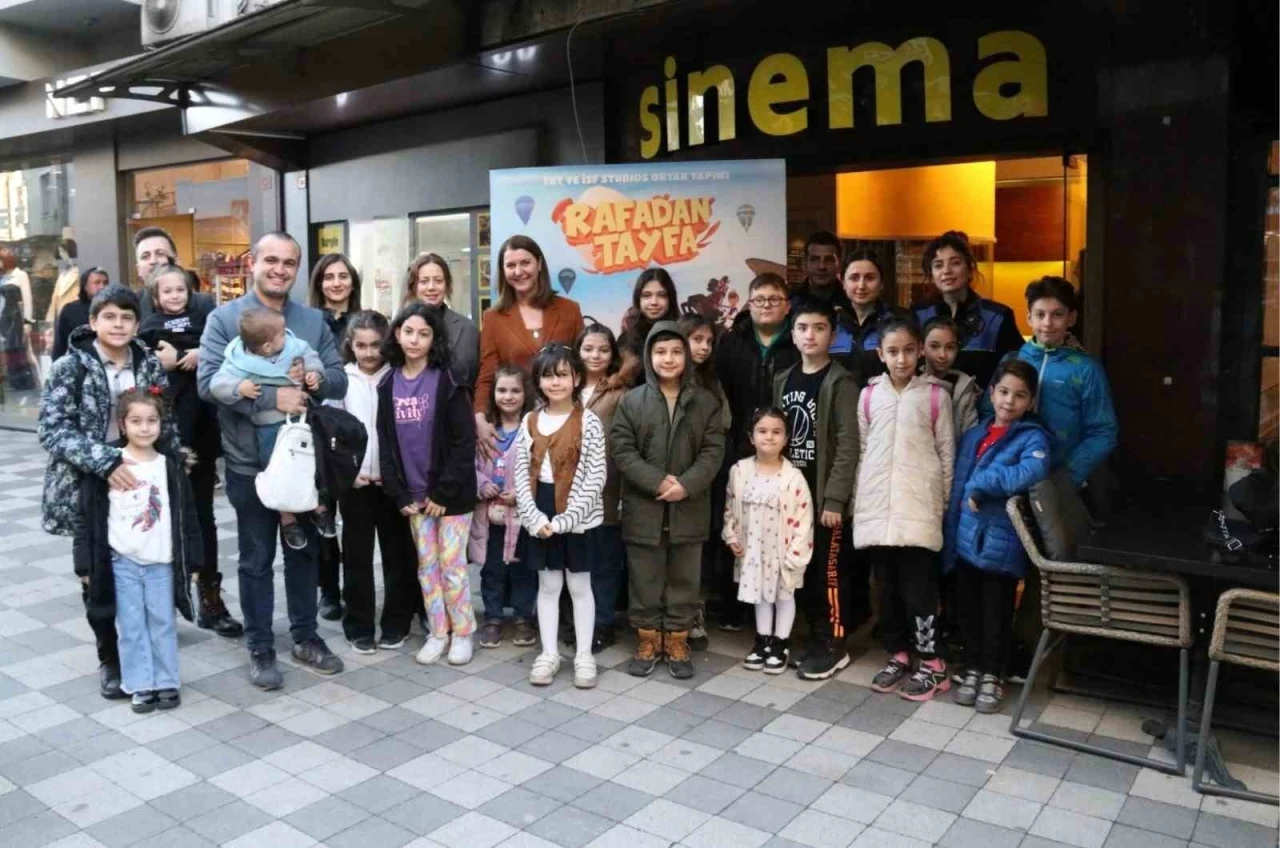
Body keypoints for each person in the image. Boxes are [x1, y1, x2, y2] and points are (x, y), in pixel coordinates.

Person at [197, 231, 348, 690]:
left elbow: (338, 377)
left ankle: (305, 636)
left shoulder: (312, 321)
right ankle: (260, 644)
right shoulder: (225, 319)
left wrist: (315, 381)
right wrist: (269, 397)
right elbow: (208, 384)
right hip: (249, 463)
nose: (280, 269)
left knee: (303, 552)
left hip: (301, 461)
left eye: (289, 263)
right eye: (272, 261)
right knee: (256, 557)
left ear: (297, 269)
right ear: (254, 264)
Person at [39, 285, 180, 699]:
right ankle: (110, 659)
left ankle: (153, 660)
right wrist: (106, 462)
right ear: (93, 322)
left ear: (137, 323)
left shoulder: (148, 364)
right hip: (91, 482)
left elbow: (165, 422)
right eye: (110, 317)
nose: (118, 325)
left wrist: (174, 472)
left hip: (143, 480)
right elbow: (52, 429)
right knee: (98, 576)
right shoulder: (70, 367)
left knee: (147, 566)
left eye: (127, 317)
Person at [75, 387, 201, 713]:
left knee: (163, 623)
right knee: (131, 626)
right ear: (122, 424)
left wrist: (194, 561)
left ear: (161, 423)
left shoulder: (170, 466)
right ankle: (140, 683)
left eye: (151, 420)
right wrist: (85, 566)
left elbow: (188, 516)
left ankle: (166, 680)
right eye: (136, 421)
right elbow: (87, 519)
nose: (145, 428)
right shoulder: (108, 466)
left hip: (161, 562)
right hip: (123, 562)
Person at [610, 321, 725, 679]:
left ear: (687, 356)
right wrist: (656, 481)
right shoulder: (632, 401)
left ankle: (676, 641)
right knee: (644, 579)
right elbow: (622, 449)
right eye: (660, 351)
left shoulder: (705, 402)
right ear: (649, 356)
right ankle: (648, 640)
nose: (669, 358)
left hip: (689, 507)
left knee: (684, 580)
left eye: (676, 351)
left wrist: (687, 484)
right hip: (644, 508)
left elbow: (713, 451)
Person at [137, 265, 240, 638]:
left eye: (180, 289)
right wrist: (178, 359)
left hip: (203, 436)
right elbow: (144, 366)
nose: (175, 296)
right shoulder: (149, 327)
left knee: (203, 518)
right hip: (163, 440)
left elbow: (226, 353)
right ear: (155, 296)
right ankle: (161, 606)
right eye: (167, 291)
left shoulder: (206, 320)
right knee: (158, 522)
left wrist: (195, 354)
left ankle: (210, 598)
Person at [856, 317, 956, 702]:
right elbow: (864, 452)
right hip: (878, 511)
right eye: (893, 352)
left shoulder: (935, 397)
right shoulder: (869, 396)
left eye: (909, 351)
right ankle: (897, 653)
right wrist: (860, 503)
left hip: (918, 512)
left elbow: (946, 456)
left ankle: (932, 663)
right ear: (880, 354)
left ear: (920, 352)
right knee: (887, 589)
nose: (901, 360)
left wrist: (941, 505)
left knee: (920, 592)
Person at [943, 359, 1050, 713]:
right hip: (965, 540)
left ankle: (993, 674)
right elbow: (958, 487)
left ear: (1030, 402)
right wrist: (950, 537)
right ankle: (973, 668)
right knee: (968, 609)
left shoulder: (1032, 438)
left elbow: (1030, 471)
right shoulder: (975, 435)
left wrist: (984, 484)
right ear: (991, 393)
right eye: (1003, 392)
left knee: (997, 612)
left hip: (1002, 544)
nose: (1009, 401)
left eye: (1019, 395)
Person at [376, 302, 478, 666]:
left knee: (452, 566)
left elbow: (463, 443)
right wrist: (399, 492)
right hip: (414, 497)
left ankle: (462, 633)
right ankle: (438, 632)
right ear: (397, 335)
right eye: (408, 332)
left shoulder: (448, 380)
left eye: (424, 333)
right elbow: (386, 443)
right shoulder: (388, 384)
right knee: (427, 567)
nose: (415, 340)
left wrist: (442, 492)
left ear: (435, 339)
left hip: (450, 496)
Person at [773, 298, 864, 679]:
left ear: (833, 334)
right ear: (792, 335)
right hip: (793, 498)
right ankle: (814, 635)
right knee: (803, 571)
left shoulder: (841, 382)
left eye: (819, 328)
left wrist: (835, 499)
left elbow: (848, 445)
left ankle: (835, 643)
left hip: (824, 499)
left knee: (830, 573)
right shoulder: (783, 379)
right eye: (803, 328)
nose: (810, 335)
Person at [514, 344, 607, 687]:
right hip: (541, 510)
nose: (555, 382)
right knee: (548, 584)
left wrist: (566, 520)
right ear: (538, 381)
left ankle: (584, 655)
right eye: (547, 376)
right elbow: (521, 473)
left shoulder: (589, 421)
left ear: (576, 378)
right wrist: (534, 518)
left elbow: (596, 476)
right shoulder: (530, 420)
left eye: (563, 375)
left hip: (578, 516)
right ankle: (549, 653)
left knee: (580, 585)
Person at [209, 306, 332, 550]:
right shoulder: (239, 361)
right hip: (268, 427)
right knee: (278, 471)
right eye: (281, 334)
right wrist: (239, 388)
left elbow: (310, 355)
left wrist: (313, 373)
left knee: (313, 463)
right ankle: (287, 519)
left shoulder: (291, 346)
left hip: (301, 418)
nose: (287, 335)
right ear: (266, 346)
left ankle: (319, 507)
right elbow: (216, 385)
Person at [333, 310, 418, 653]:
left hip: (393, 485)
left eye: (375, 345)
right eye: (361, 346)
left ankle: (396, 622)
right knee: (356, 556)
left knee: (398, 555)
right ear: (350, 345)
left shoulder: (397, 376)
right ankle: (359, 625)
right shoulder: (341, 380)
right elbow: (333, 433)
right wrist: (346, 473)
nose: (369, 353)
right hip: (356, 485)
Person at [715, 272, 798, 628]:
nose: (766, 305)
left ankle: (780, 603)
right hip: (739, 445)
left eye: (774, 299)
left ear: (787, 306)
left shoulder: (796, 339)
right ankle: (737, 605)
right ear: (749, 304)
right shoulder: (732, 340)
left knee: (779, 525)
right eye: (759, 299)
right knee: (738, 521)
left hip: (783, 447)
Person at [997, 277, 1118, 487]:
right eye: (1040, 314)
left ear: (1071, 318)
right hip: (1008, 473)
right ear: (1029, 317)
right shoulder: (1012, 361)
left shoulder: (1087, 370)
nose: (1047, 323)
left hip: (1060, 480)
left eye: (1057, 315)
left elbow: (1103, 432)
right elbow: (989, 414)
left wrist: (1068, 476)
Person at [722, 407, 813, 673]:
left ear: (786, 439)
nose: (769, 437)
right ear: (751, 437)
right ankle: (762, 640)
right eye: (762, 431)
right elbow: (730, 507)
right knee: (760, 593)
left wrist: (796, 554)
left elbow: (804, 519)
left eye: (776, 432)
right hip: (753, 548)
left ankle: (781, 642)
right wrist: (731, 535)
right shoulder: (739, 471)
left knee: (784, 594)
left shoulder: (793, 478)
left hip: (782, 551)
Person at [474, 235, 584, 456]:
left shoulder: (569, 310)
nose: (518, 271)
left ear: (539, 264)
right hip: (516, 426)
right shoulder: (493, 318)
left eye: (525, 263)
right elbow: (487, 373)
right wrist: (479, 418)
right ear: (503, 271)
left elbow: (583, 365)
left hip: (565, 418)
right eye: (510, 265)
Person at [309, 253, 363, 619]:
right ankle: (328, 590)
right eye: (329, 277)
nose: (336, 283)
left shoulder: (366, 320)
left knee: (356, 516)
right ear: (319, 283)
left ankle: (355, 589)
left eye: (343, 276)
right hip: (319, 425)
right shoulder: (310, 323)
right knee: (322, 513)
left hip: (357, 427)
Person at [472, 365, 536, 649]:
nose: (508, 396)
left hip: (522, 517)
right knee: (492, 570)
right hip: (490, 517)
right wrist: (483, 484)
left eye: (515, 390)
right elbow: (471, 466)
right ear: (493, 394)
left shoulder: (533, 429)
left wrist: (522, 493)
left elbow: (540, 469)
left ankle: (523, 618)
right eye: (502, 390)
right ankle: (493, 618)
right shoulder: (485, 431)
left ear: (525, 394)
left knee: (523, 570)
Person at [677, 313, 731, 647]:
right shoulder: (664, 380)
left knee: (702, 546)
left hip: (707, 475)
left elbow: (724, 425)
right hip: (672, 476)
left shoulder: (712, 382)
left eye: (709, 341)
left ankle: (697, 612)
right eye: (697, 339)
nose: (704, 347)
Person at [912, 230, 1023, 388]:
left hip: (982, 403)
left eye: (955, 263)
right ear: (931, 273)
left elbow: (1017, 371)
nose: (946, 271)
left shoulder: (998, 317)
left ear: (970, 269)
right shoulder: (917, 315)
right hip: (927, 402)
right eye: (938, 265)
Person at [575, 323, 628, 651]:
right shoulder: (564, 385)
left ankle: (603, 622)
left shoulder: (621, 394)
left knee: (606, 560)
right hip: (567, 492)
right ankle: (576, 620)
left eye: (603, 350)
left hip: (608, 488)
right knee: (575, 561)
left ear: (613, 355)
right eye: (588, 349)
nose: (595, 355)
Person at [402, 252, 481, 389]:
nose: (431, 287)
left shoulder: (467, 329)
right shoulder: (401, 327)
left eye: (438, 281)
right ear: (414, 286)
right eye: (424, 281)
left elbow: (478, 377)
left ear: (447, 285)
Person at [833, 249, 909, 382]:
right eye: (854, 278)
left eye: (869, 278)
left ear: (882, 283)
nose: (861, 285)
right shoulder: (831, 322)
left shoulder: (898, 321)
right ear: (843, 283)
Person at [133, 226, 216, 324]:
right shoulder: (132, 305)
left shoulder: (202, 304)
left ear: (177, 262)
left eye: (160, 254)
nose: (153, 261)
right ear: (138, 269)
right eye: (145, 256)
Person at [617, 268, 681, 386]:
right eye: (646, 295)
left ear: (670, 299)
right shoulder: (626, 339)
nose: (654, 302)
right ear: (638, 299)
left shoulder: (683, 333)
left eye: (661, 295)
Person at [922, 316, 980, 434]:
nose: (942, 355)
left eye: (950, 347)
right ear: (921, 347)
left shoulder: (964, 387)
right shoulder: (910, 381)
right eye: (934, 346)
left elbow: (970, 434)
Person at [51, 266, 109, 360]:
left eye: (105, 283)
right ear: (85, 286)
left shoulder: (114, 309)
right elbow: (59, 346)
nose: (102, 286)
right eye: (97, 282)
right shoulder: (70, 311)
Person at [789, 231, 852, 316]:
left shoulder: (853, 302)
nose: (821, 266)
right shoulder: (789, 302)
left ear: (840, 265)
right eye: (815, 259)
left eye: (829, 260)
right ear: (805, 265)